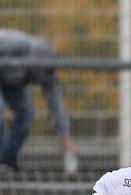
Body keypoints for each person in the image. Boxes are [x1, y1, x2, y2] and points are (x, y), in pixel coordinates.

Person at [0, 29, 77, 171]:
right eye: (37, 72)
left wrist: (65, 136)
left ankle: (5, 160)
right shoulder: (16, 44)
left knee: (26, 114)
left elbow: (55, 105)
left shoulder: (47, 72)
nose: (38, 80)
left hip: (11, 83)